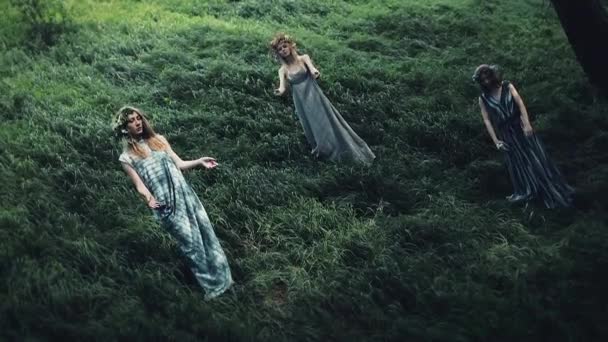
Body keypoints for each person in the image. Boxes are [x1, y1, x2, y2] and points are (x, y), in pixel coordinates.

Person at [113, 106, 232, 299]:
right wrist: (150, 200)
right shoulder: (126, 157)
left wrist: (199, 162)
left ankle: (223, 280)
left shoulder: (158, 140)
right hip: (165, 205)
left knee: (204, 234)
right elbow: (140, 186)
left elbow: (180, 164)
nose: (137, 122)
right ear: (125, 128)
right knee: (191, 245)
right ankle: (212, 289)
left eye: (139, 118)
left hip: (185, 195)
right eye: (132, 121)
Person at [473, 64, 574, 208]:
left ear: (492, 75)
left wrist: (527, 124)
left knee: (536, 158)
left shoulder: (507, 86)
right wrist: (496, 141)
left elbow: (520, 104)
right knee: (520, 164)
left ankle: (549, 190)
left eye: (487, 77)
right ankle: (533, 193)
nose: (486, 82)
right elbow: (487, 121)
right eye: (482, 80)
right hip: (507, 134)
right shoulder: (483, 98)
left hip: (520, 127)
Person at [270, 33, 376, 165]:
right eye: (280, 49)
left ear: (291, 46)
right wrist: (279, 91)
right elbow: (282, 87)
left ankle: (337, 145)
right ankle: (323, 148)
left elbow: (313, 69)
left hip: (314, 95)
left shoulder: (303, 59)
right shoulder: (283, 70)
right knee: (310, 123)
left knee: (325, 119)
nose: (283, 50)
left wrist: (315, 72)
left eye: (284, 46)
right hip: (301, 101)